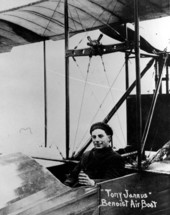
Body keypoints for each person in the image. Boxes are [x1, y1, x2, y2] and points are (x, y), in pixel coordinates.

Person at [64, 122, 125, 187]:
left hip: (98, 193)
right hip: (80, 190)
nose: (97, 140)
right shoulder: (86, 155)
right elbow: (73, 176)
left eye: (100, 136)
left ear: (109, 138)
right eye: (94, 137)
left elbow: (112, 183)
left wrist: (93, 182)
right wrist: (66, 185)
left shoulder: (116, 158)